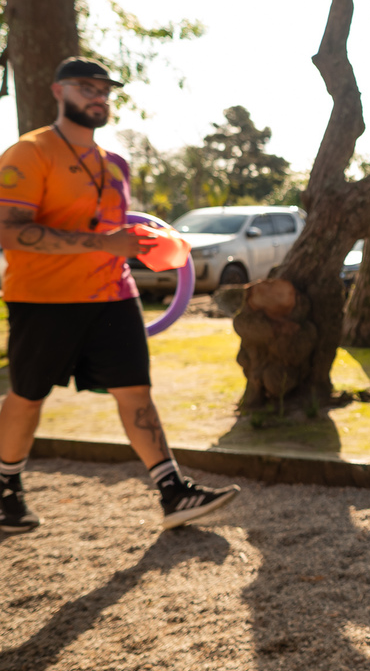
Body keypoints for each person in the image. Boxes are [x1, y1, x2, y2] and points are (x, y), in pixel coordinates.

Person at [0, 57, 240, 534]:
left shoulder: (116, 165)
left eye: (104, 90)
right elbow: (9, 231)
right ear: (58, 91)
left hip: (113, 295)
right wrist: (101, 244)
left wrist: (154, 248)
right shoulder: (29, 153)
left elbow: (118, 230)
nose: (98, 96)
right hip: (44, 299)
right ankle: (6, 493)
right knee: (27, 396)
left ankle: (173, 492)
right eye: (86, 87)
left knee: (136, 392)